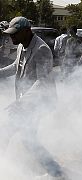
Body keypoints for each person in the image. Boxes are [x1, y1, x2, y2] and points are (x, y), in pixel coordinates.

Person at [0, 17, 65, 179]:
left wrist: (20, 103)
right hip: (27, 102)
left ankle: (56, 172)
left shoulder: (41, 49)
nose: (11, 37)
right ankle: (56, 172)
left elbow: (41, 81)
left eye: (15, 34)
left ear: (27, 31)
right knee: (27, 139)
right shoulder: (23, 45)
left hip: (40, 101)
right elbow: (16, 67)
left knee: (13, 133)